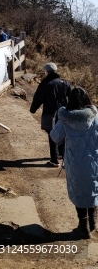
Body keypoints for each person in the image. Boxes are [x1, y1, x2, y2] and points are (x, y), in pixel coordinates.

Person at [50, 87, 98, 238]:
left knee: (79, 191)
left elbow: (55, 137)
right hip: (94, 161)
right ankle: (93, 222)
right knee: (93, 188)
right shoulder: (96, 116)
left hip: (75, 163)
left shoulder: (65, 118)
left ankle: (83, 227)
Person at [31, 63, 70, 166]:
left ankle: (54, 160)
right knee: (63, 133)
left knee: (52, 134)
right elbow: (72, 97)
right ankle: (62, 154)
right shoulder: (65, 83)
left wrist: (33, 109)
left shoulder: (46, 83)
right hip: (64, 113)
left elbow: (38, 98)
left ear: (47, 72)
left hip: (50, 112)